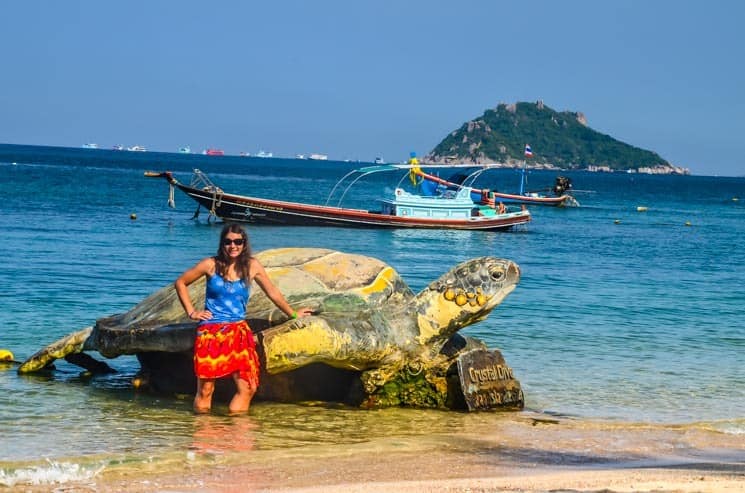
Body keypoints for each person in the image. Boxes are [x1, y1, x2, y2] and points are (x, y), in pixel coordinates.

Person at [175, 224, 312, 414]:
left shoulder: (252, 265)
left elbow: (272, 291)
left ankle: (236, 434)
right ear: (222, 244)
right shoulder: (210, 264)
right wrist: (192, 312)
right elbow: (181, 282)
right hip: (211, 333)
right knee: (206, 389)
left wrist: (293, 314)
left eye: (238, 242)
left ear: (244, 244)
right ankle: (204, 437)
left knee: (248, 387)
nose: (233, 246)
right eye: (228, 242)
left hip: (238, 332)